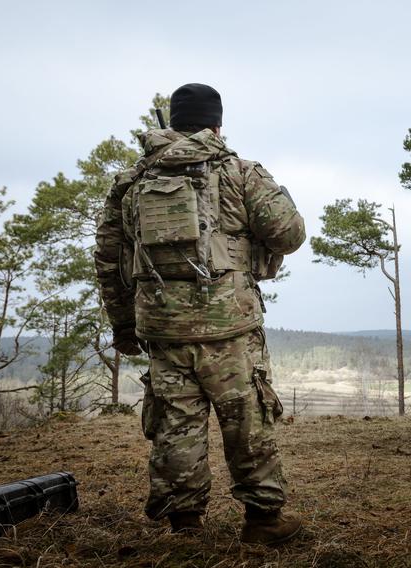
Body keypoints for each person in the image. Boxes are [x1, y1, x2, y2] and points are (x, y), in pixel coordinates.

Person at [94, 83, 306, 545]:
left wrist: (123, 327)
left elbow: (110, 260)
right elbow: (288, 233)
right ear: (217, 123)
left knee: (176, 424)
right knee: (248, 419)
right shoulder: (239, 172)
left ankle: (184, 524)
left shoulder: (131, 183)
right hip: (229, 327)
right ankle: (264, 520)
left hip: (164, 329)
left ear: (172, 122)